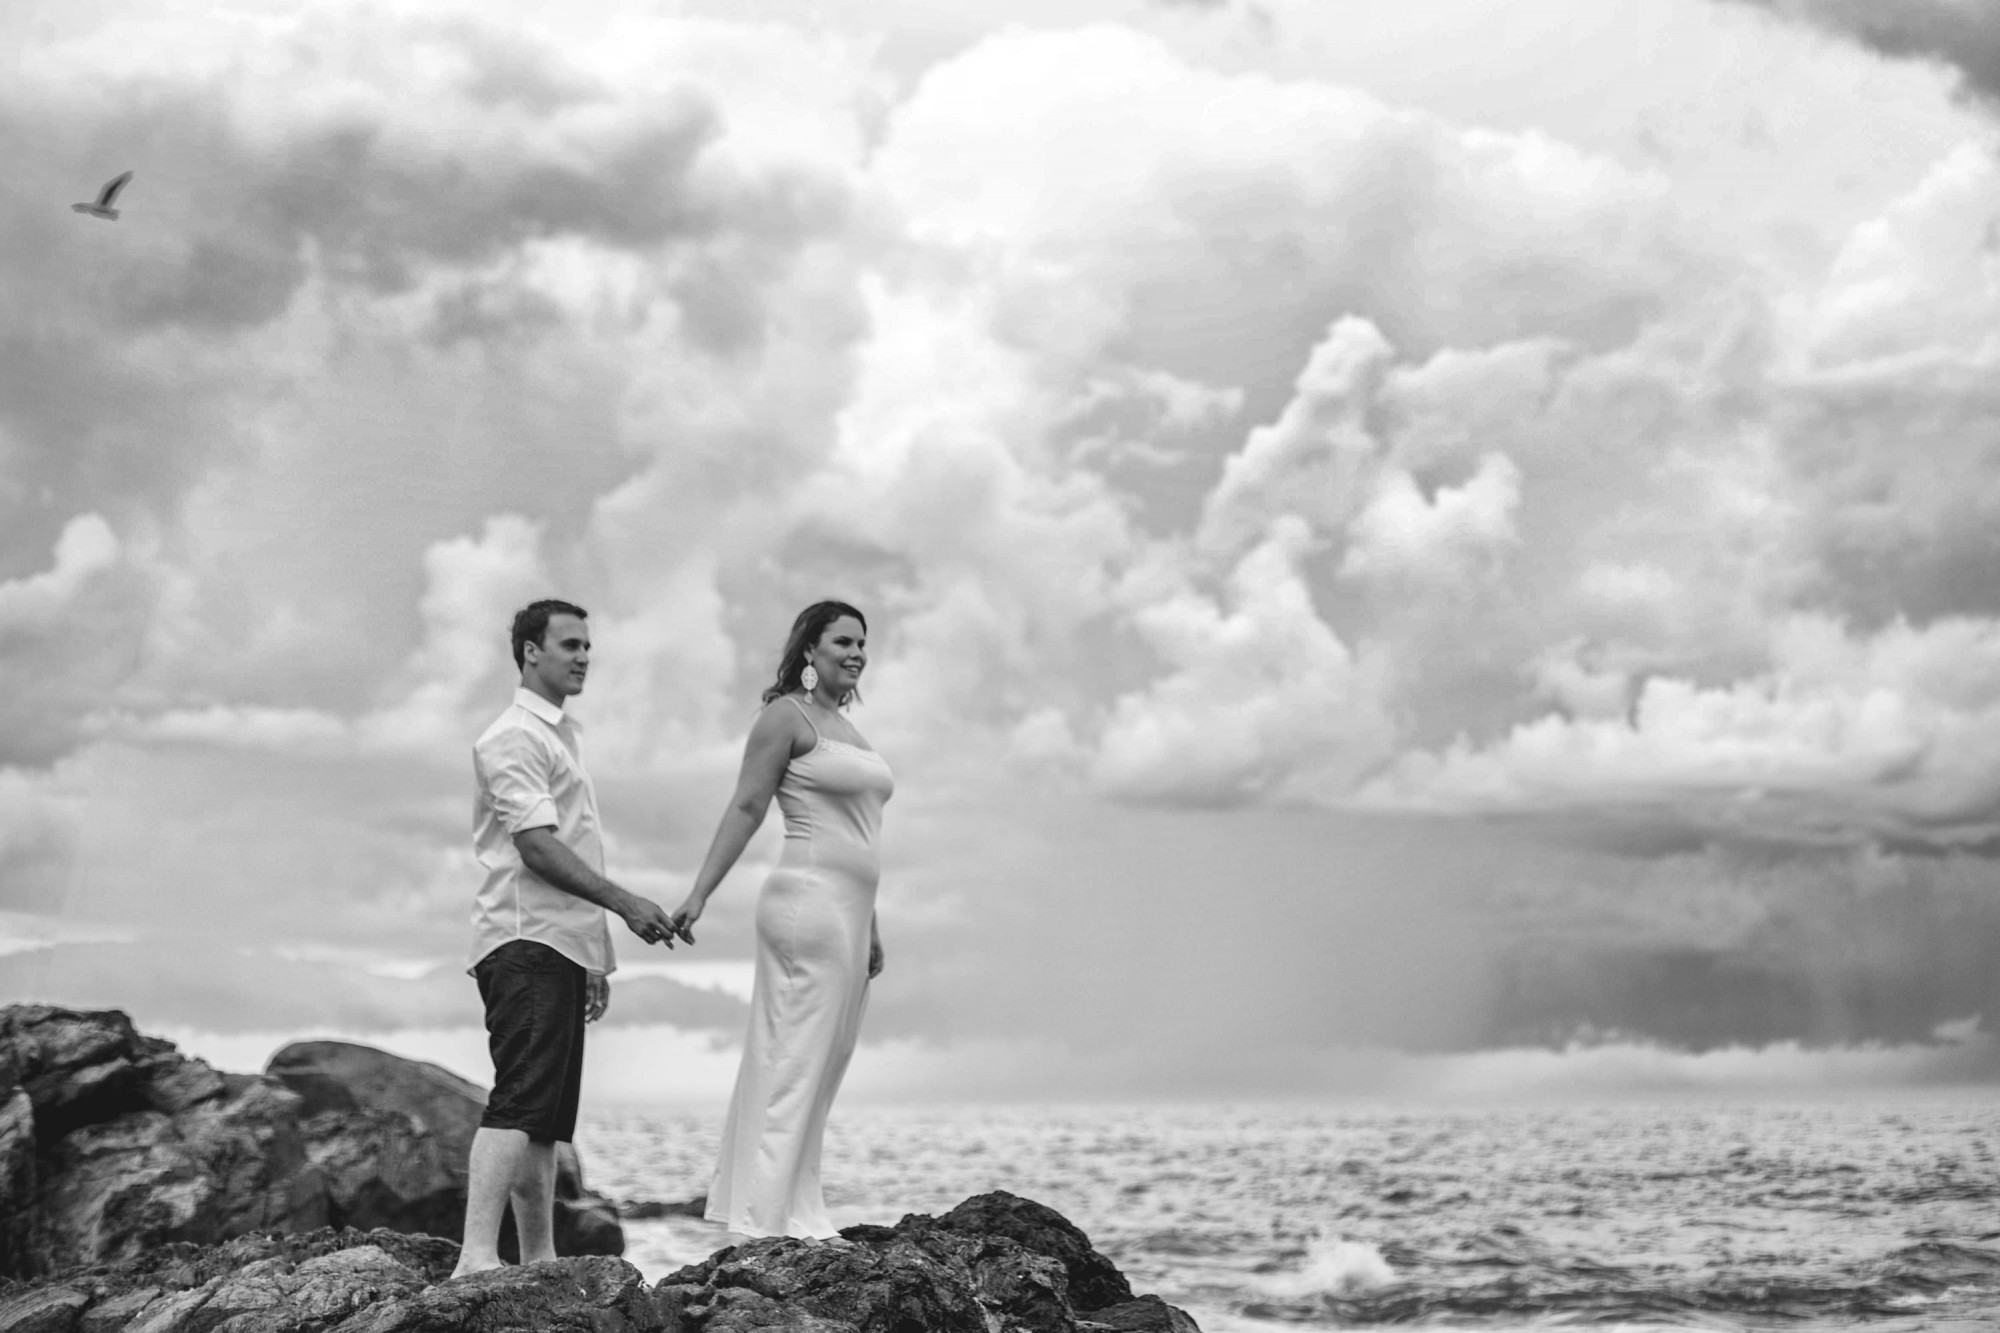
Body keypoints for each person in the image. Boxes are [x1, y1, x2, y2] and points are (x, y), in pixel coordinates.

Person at [450, 598, 681, 1279]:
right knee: (520, 1097)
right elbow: (539, 849)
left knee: (547, 1118)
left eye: (587, 645)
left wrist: (594, 960)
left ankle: (539, 1254)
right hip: (524, 938)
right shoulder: (513, 736)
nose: (584, 656)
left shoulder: (559, 735)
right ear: (529, 651)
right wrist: (624, 902)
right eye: (570, 644)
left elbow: (564, 848)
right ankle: (474, 1257)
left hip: (560, 944)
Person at [670, 600, 894, 1239]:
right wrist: (700, 893)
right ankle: (765, 1221)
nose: (856, 653)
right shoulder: (785, 718)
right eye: (844, 642)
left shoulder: (849, 731)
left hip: (849, 915)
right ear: (809, 653)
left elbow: (860, 836)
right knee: (795, 1056)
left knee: (827, 1058)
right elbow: (746, 807)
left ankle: (798, 1207)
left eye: (862, 644)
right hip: (807, 905)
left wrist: (871, 923)